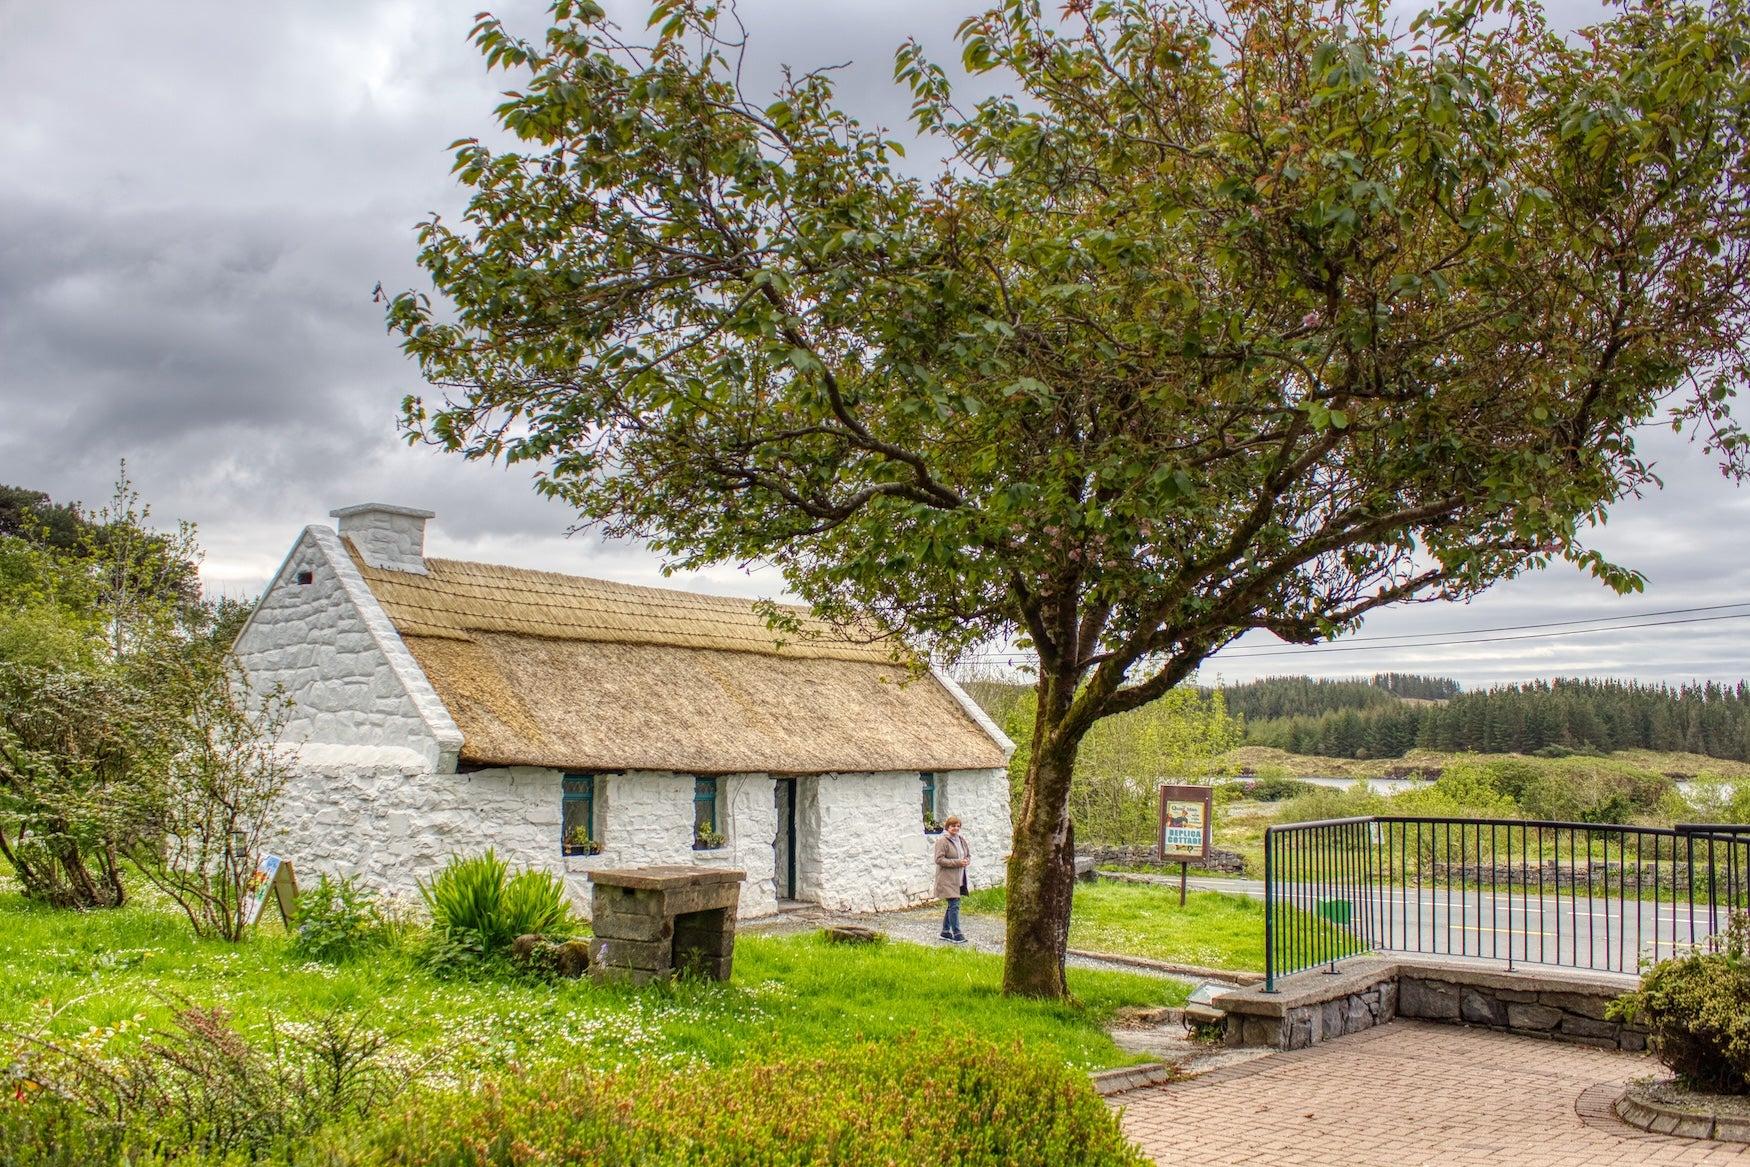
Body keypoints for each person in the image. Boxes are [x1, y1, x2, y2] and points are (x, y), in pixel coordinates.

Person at [933, 815, 971, 943]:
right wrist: (958, 862)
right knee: (954, 904)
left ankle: (945, 932)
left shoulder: (961, 840)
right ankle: (957, 933)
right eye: (953, 826)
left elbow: (967, 855)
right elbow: (939, 859)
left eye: (958, 826)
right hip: (947, 879)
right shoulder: (942, 841)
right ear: (948, 827)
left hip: (959, 878)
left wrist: (966, 861)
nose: (955, 828)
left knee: (952, 905)